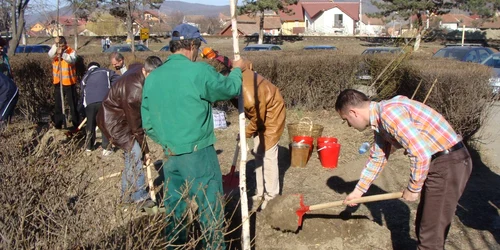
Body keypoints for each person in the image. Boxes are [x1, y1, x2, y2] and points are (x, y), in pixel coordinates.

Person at [141, 23, 244, 249]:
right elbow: (229, 89)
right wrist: (237, 70)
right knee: (210, 211)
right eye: (197, 46)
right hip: (199, 154)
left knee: (175, 211)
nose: (197, 52)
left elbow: (147, 123)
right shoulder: (198, 71)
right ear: (191, 45)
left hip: (169, 155)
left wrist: (168, 141)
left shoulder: (153, 78)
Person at [335, 89, 472, 250]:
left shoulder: (389, 114)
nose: (349, 125)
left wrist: (413, 188)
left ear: (353, 112)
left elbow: (420, 153)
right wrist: (358, 192)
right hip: (441, 162)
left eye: (346, 120)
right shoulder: (380, 120)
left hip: (449, 163)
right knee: (425, 224)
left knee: (431, 235)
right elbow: (378, 158)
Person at [205, 49, 286, 211]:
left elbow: (258, 118)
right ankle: (261, 191)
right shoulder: (238, 75)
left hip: (272, 114)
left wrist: (245, 133)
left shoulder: (248, 95)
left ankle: (272, 196)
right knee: (258, 153)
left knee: (268, 155)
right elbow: (244, 64)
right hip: (260, 113)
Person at [96, 56, 162, 210]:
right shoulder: (135, 91)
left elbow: (134, 64)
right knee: (136, 153)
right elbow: (136, 128)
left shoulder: (140, 68)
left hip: (118, 115)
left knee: (131, 157)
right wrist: (146, 151)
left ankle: (126, 196)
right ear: (145, 71)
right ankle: (139, 197)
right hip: (114, 122)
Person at [80, 62, 119, 155]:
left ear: (89, 68)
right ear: (98, 66)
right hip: (104, 100)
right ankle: (106, 148)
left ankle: (89, 147)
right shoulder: (106, 71)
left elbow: (82, 91)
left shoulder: (85, 76)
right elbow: (117, 79)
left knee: (90, 124)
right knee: (104, 123)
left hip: (89, 102)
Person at [48, 36, 80, 129]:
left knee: (72, 104)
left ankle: (76, 124)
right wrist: (56, 47)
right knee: (58, 104)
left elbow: (72, 60)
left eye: (61, 45)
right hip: (58, 81)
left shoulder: (71, 51)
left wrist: (62, 54)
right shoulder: (55, 49)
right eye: (58, 45)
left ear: (65, 44)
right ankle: (58, 124)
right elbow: (50, 54)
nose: (59, 47)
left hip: (69, 82)